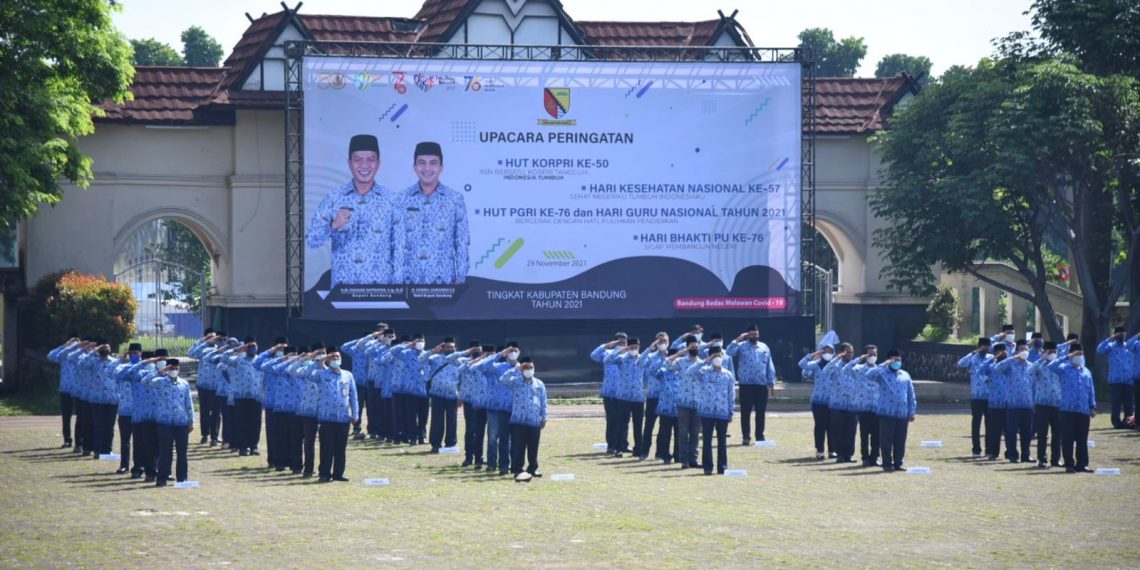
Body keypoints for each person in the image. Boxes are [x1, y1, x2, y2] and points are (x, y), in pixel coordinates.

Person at [306, 134, 397, 287]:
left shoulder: (392, 200)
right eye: (358, 159)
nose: (364, 165)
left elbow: (401, 248)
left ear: (378, 163)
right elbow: (312, 241)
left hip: (381, 289)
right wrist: (333, 225)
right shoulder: (333, 198)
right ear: (349, 163)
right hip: (343, 288)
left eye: (370, 159)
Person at [394, 142, 469, 284]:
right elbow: (395, 243)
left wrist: (460, 279)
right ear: (414, 167)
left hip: (445, 285)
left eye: (433, 163)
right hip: (408, 284)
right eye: (422, 163)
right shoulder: (400, 199)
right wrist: (397, 283)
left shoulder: (454, 199)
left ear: (441, 167)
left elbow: (461, 242)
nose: (427, 168)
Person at [861, 350, 916, 473]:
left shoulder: (905, 375)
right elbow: (868, 375)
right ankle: (887, 463)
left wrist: (911, 411)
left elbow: (911, 395)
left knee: (900, 440)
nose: (897, 362)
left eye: (899, 360)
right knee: (886, 440)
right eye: (894, 360)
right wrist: (884, 364)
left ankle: (898, 463)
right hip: (887, 413)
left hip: (902, 413)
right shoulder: (881, 373)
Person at [1048, 344, 1097, 473]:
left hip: (1083, 409)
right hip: (1067, 409)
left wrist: (1092, 406)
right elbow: (1051, 366)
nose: (1079, 357)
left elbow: (1090, 389)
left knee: (1082, 439)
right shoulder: (1064, 368)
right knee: (1068, 438)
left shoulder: (1086, 371)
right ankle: (1069, 463)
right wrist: (1067, 356)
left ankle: (1082, 464)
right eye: (1077, 354)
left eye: (1081, 354)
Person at [727, 324, 776, 445]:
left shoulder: (764, 347)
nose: (754, 336)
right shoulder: (741, 346)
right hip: (746, 385)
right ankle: (746, 437)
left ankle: (760, 436)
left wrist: (771, 382)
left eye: (756, 334)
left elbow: (769, 365)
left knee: (760, 412)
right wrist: (738, 339)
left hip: (761, 385)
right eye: (752, 334)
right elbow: (729, 352)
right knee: (745, 412)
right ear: (748, 335)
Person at [314, 351, 359, 483]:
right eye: (333, 357)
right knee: (327, 447)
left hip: (343, 417)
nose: (336, 359)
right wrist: (323, 358)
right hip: (327, 418)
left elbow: (353, 396)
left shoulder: (348, 375)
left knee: (340, 447)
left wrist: (355, 414)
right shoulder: (321, 374)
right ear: (328, 360)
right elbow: (305, 372)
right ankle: (324, 473)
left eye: (338, 357)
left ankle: (338, 473)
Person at [500, 356, 548, 479]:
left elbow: (543, 402)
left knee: (533, 446)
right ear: (522, 369)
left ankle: (533, 468)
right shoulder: (516, 381)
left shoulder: (539, 384)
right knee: (518, 446)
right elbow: (503, 379)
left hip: (534, 420)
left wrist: (544, 417)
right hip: (518, 420)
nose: (529, 370)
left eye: (531, 367)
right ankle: (517, 469)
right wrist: (517, 369)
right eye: (526, 368)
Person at [474, 344, 519, 475]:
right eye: (511, 351)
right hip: (495, 407)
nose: (512, 353)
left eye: (515, 351)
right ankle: (492, 463)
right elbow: (480, 367)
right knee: (493, 437)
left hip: (513, 408)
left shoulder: (520, 368)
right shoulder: (498, 367)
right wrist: (500, 354)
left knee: (509, 438)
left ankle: (506, 464)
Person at [693, 346, 735, 475]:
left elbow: (731, 394)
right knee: (707, 440)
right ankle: (708, 467)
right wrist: (707, 360)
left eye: (719, 356)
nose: (718, 358)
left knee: (722, 441)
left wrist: (731, 411)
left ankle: (722, 467)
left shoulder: (728, 374)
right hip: (707, 412)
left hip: (722, 412)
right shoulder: (704, 372)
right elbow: (691, 372)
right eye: (715, 356)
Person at [152, 359, 195, 487]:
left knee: (182, 452)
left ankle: (182, 478)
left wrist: (191, 420)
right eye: (171, 368)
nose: (174, 370)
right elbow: (145, 382)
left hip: (181, 422)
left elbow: (188, 403)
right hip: (164, 422)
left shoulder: (184, 384)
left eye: (176, 368)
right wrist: (162, 371)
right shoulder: (160, 382)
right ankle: (162, 477)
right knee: (165, 451)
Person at [604, 337, 647, 459]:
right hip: (624, 397)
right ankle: (618, 448)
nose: (634, 349)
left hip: (638, 397)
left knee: (638, 425)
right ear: (628, 347)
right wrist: (621, 350)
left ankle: (638, 449)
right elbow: (607, 360)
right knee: (621, 424)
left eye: (636, 347)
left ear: (639, 347)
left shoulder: (642, 360)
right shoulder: (622, 359)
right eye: (631, 347)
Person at [224, 337, 264, 457]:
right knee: (242, 422)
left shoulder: (261, 361)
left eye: (254, 346)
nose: (252, 348)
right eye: (249, 346)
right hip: (241, 396)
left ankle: (254, 446)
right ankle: (243, 447)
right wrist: (237, 349)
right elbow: (224, 358)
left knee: (255, 423)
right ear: (245, 347)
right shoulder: (238, 360)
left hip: (256, 396)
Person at [995, 339, 1033, 463]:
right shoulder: (1011, 365)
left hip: (1028, 404)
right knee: (1011, 432)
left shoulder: (1031, 366)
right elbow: (997, 368)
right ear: (1017, 351)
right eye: (1022, 349)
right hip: (1013, 404)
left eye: (1026, 349)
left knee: (1026, 432)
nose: (1024, 352)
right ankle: (1012, 454)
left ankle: (1026, 455)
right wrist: (1013, 358)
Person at [590, 333, 628, 455]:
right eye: (619, 342)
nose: (622, 344)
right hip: (610, 393)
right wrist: (608, 345)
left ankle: (623, 445)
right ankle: (611, 446)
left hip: (624, 393)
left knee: (624, 420)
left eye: (624, 342)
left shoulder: (629, 356)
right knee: (612, 420)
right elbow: (594, 355)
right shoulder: (607, 354)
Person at [1028, 342, 1062, 468]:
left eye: (1054, 351)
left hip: (1057, 403)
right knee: (1042, 434)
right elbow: (1028, 372)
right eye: (1049, 351)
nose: (1052, 354)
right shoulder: (1039, 365)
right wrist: (1042, 359)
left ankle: (1056, 459)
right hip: (1042, 403)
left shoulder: (1060, 365)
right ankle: (1042, 459)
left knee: (1058, 433)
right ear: (1044, 352)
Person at [423, 337, 461, 452]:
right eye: (448, 347)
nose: (450, 349)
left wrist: (461, 395)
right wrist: (434, 350)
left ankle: (450, 444)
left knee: (452, 420)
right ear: (443, 348)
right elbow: (421, 359)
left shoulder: (460, 361)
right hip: (437, 394)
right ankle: (435, 444)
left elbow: (463, 379)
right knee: (437, 420)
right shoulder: (435, 358)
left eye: (452, 347)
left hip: (452, 394)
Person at [47, 337, 85, 449]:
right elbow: (50, 356)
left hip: (79, 390)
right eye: (72, 345)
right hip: (65, 390)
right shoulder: (64, 356)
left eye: (76, 345)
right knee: (66, 417)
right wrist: (64, 346)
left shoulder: (82, 356)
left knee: (81, 416)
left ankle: (80, 441)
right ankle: (67, 439)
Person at [956, 338, 992, 456]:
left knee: (989, 424)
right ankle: (976, 449)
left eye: (988, 346)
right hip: (976, 396)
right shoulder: (973, 358)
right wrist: (973, 352)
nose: (987, 349)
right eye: (985, 346)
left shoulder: (991, 358)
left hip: (990, 396)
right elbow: (960, 363)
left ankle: (989, 448)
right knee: (976, 423)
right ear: (980, 346)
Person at [671, 336, 703, 469]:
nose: (694, 349)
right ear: (687, 347)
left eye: (696, 347)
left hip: (698, 403)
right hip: (683, 402)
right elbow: (667, 364)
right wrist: (680, 353)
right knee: (683, 432)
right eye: (691, 347)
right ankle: (684, 460)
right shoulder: (681, 361)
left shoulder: (703, 363)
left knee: (695, 433)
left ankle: (693, 459)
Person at [454, 342, 487, 467]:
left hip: (483, 402)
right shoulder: (464, 361)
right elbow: (457, 369)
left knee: (480, 431)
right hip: (469, 401)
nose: (477, 351)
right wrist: (471, 354)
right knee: (470, 430)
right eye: (475, 349)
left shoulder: (486, 363)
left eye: (479, 349)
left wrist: (483, 359)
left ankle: (479, 458)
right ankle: (468, 457)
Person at [112, 343, 143, 473]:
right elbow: (110, 372)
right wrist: (121, 359)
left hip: (140, 412)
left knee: (139, 441)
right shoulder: (122, 368)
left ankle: (138, 466)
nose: (134, 355)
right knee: (125, 440)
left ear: (141, 353)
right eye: (131, 353)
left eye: (136, 352)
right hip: (125, 410)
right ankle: (124, 465)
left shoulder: (146, 368)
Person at [638, 333, 670, 461]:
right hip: (653, 396)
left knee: (664, 427)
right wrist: (649, 349)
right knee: (649, 425)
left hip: (667, 398)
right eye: (660, 341)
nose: (663, 343)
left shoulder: (672, 356)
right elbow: (640, 363)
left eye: (665, 340)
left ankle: (660, 452)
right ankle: (644, 451)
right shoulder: (651, 357)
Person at [824, 343, 858, 463]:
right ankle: (840, 454)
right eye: (847, 352)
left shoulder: (855, 366)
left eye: (851, 352)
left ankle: (849, 454)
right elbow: (825, 372)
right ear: (842, 352)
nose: (850, 354)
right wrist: (837, 358)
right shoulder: (835, 366)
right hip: (837, 404)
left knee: (851, 430)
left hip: (852, 404)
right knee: (838, 430)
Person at [801, 344, 835, 459]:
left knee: (832, 426)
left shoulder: (835, 365)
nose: (827, 353)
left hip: (832, 401)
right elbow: (802, 364)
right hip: (818, 401)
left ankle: (832, 450)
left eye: (830, 351)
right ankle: (820, 450)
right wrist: (814, 355)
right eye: (825, 351)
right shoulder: (815, 365)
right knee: (820, 426)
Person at [850, 345, 881, 467]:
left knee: (877, 434)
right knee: (864, 434)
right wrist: (859, 359)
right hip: (863, 408)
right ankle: (865, 458)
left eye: (874, 354)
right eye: (870, 354)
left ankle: (875, 457)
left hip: (877, 408)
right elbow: (847, 369)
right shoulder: (858, 369)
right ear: (865, 355)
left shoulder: (880, 371)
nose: (872, 357)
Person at [1097, 327, 1134, 428]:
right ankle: (1116, 422)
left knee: (1129, 404)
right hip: (1115, 380)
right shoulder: (1110, 347)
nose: (1122, 337)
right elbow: (1099, 349)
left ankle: (1128, 422)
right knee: (1116, 404)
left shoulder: (1129, 347)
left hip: (1128, 380)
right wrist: (1111, 338)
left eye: (1123, 334)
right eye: (1119, 335)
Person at [980, 343, 1012, 461]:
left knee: (1009, 430)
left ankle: (1010, 452)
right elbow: (980, 371)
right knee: (995, 430)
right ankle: (994, 452)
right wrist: (993, 358)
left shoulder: (1010, 364)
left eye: (1005, 352)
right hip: (994, 403)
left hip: (1009, 402)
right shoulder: (991, 366)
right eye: (1000, 352)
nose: (1003, 354)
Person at [651, 348, 681, 464]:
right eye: (673, 358)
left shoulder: (683, 372)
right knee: (665, 433)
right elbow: (652, 371)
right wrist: (664, 360)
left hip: (679, 407)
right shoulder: (663, 372)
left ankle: (678, 455)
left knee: (679, 433)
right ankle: (665, 455)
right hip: (665, 407)